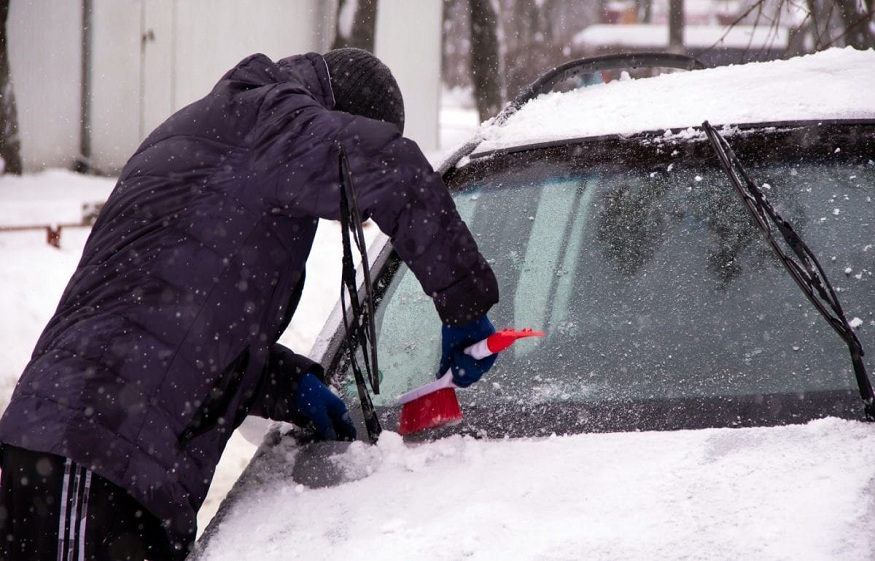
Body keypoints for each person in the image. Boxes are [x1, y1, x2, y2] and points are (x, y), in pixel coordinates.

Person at [0, 48, 499, 560]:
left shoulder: (216, 136)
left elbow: (179, 322)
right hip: (89, 451)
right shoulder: (273, 123)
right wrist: (464, 305)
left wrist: (286, 385)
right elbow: (393, 169)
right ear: (337, 119)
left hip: (88, 454)